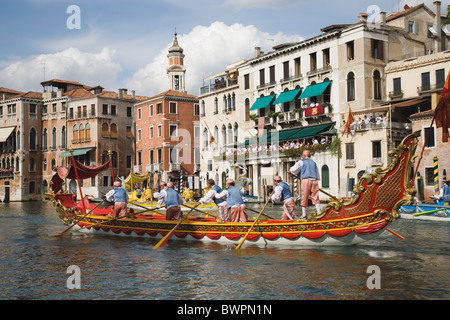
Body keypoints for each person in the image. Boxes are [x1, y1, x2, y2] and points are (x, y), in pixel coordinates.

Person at [290, 149, 321, 219]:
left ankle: (304, 215)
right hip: (314, 180)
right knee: (315, 197)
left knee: (304, 196)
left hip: (305, 180)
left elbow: (293, 170)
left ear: (304, 155)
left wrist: (294, 173)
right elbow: (317, 173)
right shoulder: (314, 162)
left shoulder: (301, 161)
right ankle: (319, 212)